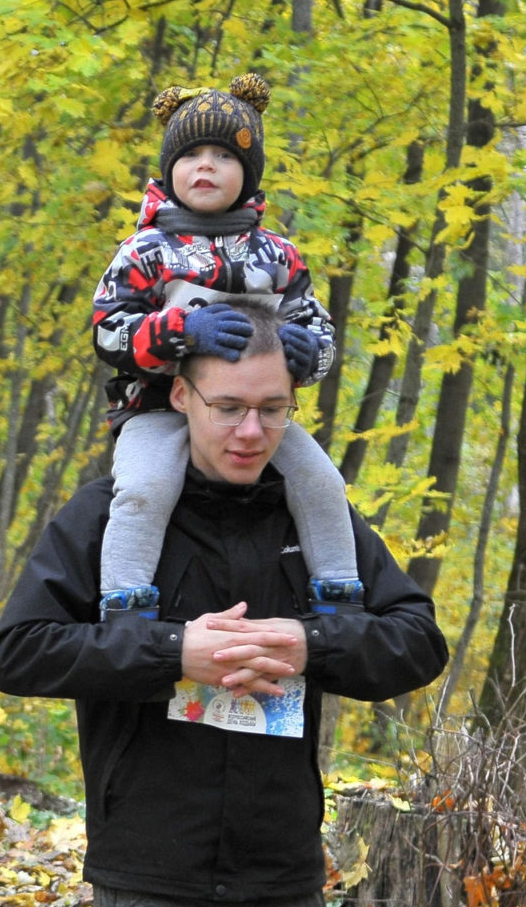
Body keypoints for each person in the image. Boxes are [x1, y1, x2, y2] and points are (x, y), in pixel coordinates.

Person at [0, 297, 448, 907]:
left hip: (282, 880)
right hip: (154, 875)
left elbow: (416, 638)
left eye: (273, 409)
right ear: (182, 400)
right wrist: (171, 650)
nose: (250, 430)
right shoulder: (116, 516)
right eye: (229, 406)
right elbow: (18, 649)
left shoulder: (315, 522)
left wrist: (315, 643)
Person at [90, 74, 359, 622]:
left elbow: (319, 328)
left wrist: (309, 354)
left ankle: (340, 596)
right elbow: (107, 330)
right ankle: (124, 603)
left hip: (258, 415)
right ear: (170, 170)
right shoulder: (145, 251)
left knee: (322, 480)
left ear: (249, 173)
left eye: (223, 155)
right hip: (156, 409)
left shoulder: (278, 255)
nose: (205, 166)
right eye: (191, 155)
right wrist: (179, 333)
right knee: (144, 489)